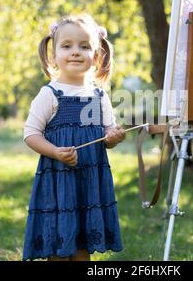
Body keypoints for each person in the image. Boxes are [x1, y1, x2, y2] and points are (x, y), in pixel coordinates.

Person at [22, 14, 126, 261]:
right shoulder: (50, 94)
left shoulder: (100, 96)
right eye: (66, 46)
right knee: (58, 242)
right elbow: (30, 134)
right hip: (59, 181)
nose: (75, 52)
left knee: (83, 244)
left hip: (89, 180)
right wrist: (55, 151)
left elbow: (107, 136)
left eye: (84, 46)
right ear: (54, 55)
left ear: (97, 55)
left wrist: (114, 137)